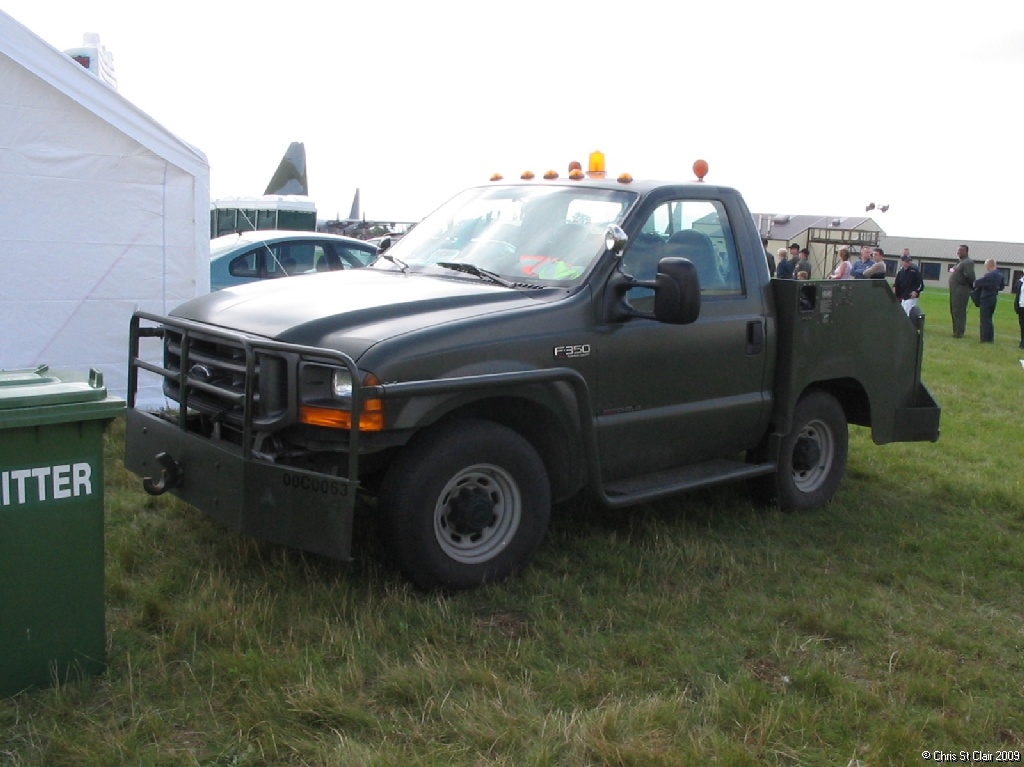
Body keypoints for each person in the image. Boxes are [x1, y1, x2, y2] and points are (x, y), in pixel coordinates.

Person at [973, 259, 1005, 343]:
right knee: (989, 318)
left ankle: (984, 338)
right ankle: (990, 338)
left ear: (989, 265)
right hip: (993, 298)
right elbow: (1002, 287)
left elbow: (977, 283)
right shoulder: (1000, 275)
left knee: (984, 319)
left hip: (986, 298)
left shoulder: (989, 275)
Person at [948, 244, 975, 338]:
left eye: (961, 250)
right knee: (954, 310)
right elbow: (953, 270)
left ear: (966, 251)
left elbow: (970, 276)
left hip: (961, 290)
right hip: (955, 290)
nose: (958, 252)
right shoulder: (960, 262)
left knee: (959, 311)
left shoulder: (968, 262)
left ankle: (959, 332)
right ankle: (956, 330)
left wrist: (967, 285)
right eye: (958, 250)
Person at [1014, 272, 1024, 349]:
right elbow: (1018, 294)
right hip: (1021, 306)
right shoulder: (1020, 281)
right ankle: (1022, 342)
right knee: (1022, 325)